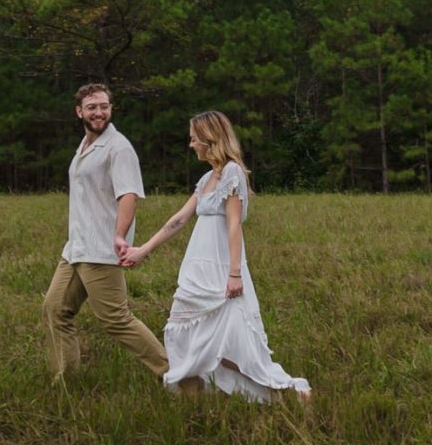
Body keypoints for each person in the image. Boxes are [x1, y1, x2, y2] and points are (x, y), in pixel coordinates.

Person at [121, 110, 310, 403]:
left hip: (222, 268)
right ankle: (197, 391)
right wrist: (143, 250)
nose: (191, 144)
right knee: (184, 330)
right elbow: (179, 220)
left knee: (234, 342)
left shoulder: (232, 172)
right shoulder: (208, 177)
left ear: (210, 139)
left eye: (194, 138)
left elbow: (234, 224)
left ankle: (287, 391)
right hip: (198, 266)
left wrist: (234, 274)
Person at [41, 83, 168, 380]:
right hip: (76, 249)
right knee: (55, 309)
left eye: (103, 107)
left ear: (111, 109)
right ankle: (66, 380)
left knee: (116, 319)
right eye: (92, 107)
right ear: (79, 112)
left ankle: (174, 375)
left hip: (100, 249)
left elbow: (128, 195)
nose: (98, 112)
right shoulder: (85, 146)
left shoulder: (118, 147)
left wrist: (120, 236)